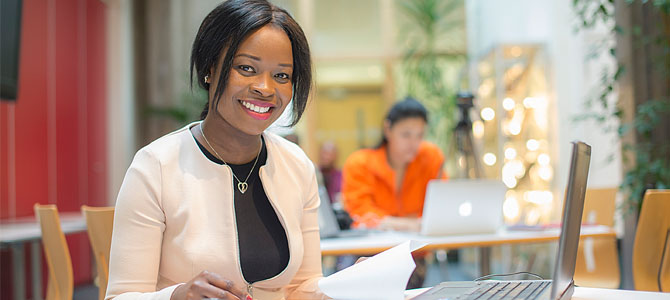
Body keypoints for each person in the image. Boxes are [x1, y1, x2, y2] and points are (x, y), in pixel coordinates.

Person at [106, 1, 327, 299]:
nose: (265, 88)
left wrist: (355, 284)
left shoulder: (297, 165)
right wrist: (177, 296)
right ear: (210, 68)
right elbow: (121, 296)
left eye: (282, 76)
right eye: (246, 68)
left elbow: (304, 287)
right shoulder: (156, 166)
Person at [342, 97, 446, 231]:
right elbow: (359, 213)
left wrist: (390, 223)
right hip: (375, 249)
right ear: (387, 129)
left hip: (421, 248)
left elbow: (440, 207)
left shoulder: (431, 157)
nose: (413, 143)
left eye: (419, 135)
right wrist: (411, 224)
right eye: (406, 135)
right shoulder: (360, 163)